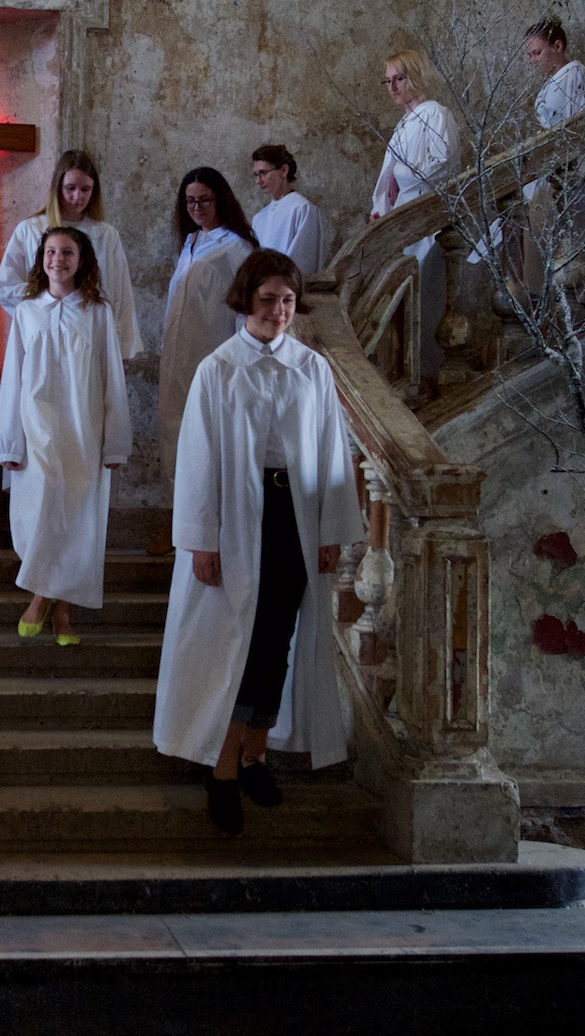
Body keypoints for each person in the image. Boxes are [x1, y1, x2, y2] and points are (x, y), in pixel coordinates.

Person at [153, 250, 364, 834]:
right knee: (235, 642)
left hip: (296, 514)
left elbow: (330, 454)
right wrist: (202, 539)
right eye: (269, 300)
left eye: (289, 301)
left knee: (277, 638)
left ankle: (255, 754)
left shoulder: (312, 368)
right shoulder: (218, 369)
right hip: (238, 517)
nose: (279, 311)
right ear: (247, 300)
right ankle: (219, 766)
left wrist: (330, 532)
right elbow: (198, 463)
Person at [0, 226, 131, 645]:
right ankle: (48, 601)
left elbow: (112, 376)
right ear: (41, 258)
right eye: (51, 251)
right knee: (43, 504)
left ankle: (56, 608)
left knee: (76, 512)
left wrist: (115, 441)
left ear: (82, 259)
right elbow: (12, 379)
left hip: (82, 424)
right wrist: (10, 440)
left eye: (67, 252)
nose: (58, 259)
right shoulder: (27, 311)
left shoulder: (97, 311)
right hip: (36, 422)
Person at [0, 149, 144, 362]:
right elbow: (7, 286)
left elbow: (120, 294)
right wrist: (48, 303)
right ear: (57, 187)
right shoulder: (30, 230)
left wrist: (121, 349)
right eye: (70, 188)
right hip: (44, 336)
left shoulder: (105, 235)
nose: (77, 197)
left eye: (85, 189)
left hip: (91, 339)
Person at [157, 167, 256, 486]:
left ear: (220, 199)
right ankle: (183, 514)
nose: (196, 208)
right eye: (189, 201)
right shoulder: (190, 241)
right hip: (178, 353)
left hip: (212, 352)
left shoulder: (236, 247)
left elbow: (247, 309)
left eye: (204, 200)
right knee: (176, 427)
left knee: (208, 433)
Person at [369, 49, 459, 377]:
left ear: (416, 77)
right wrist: (382, 208)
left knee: (427, 300)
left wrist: (400, 178)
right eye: (388, 80)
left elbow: (442, 163)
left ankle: (427, 373)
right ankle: (407, 371)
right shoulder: (404, 124)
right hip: (403, 222)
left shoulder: (435, 114)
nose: (392, 87)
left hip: (427, 222)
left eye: (399, 78)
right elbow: (386, 179)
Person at [249, 145, 329, 275]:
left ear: (284, 170)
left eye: (263, 173)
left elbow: (303, 261)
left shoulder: (302, 209)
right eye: (256, 175)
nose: (258, 181)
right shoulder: (259, 218)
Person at [523, 19, 585, 130]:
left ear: (557, 46)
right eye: (530, 56)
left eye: (537, 53)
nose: (533, 60)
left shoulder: (577, 74)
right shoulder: (548, 87)